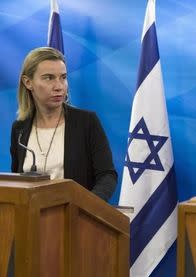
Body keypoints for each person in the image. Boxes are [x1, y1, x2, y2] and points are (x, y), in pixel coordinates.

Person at [10, 47, 117, 201]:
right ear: (28, 82)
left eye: (63, 77)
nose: (59, 86)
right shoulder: (19, 129)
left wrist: (86, 208)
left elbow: (107, 176)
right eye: (49, 78)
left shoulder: (86, 122)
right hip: (31, 220)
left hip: (75, 218)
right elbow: (17, 182)